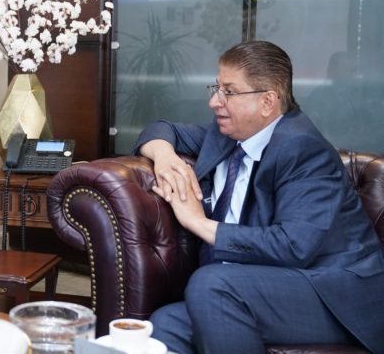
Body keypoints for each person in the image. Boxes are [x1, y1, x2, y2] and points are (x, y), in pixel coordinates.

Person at [132, 41, 384, 353]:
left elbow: (293, 246)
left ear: (267, 101)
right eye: (216, 88)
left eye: (229, 92)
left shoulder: (303, 149)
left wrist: (197, 222)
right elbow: (161, 129)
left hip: (333, 294)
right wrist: (164, 156)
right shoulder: (226, 135)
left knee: (212, 284)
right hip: (258, 283)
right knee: (163, 325)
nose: (214, 101)